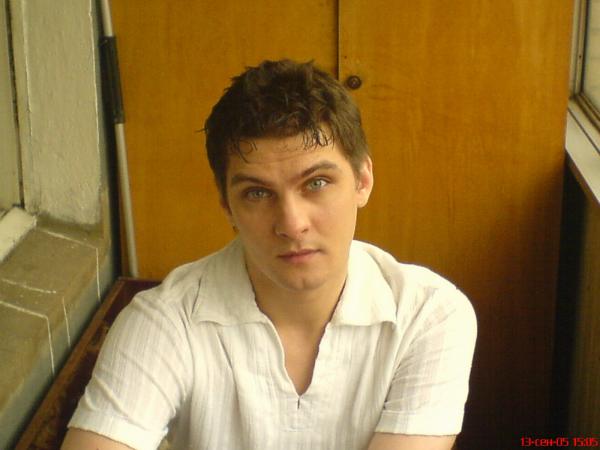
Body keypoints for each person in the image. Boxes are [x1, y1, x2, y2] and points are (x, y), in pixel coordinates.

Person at [62, 59, 477, 450]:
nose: (292, 224)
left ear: (362, 180)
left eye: (316, 183)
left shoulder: (428, 313)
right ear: (227, 206)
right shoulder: (165, 321)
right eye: (258, 193)